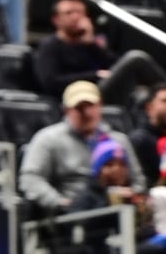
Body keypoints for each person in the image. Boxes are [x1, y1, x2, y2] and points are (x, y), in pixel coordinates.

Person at [19, 81, 136, 216]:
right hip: (71, 215)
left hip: (118, 209)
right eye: (79, 108)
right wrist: (59, 203)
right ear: (66, 110)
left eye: (91, 106)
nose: (87, 113)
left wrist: (131, 195)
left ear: (100, 106)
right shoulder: (47, 138)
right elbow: (31, 179)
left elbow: (137, 182)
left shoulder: (119, 140)